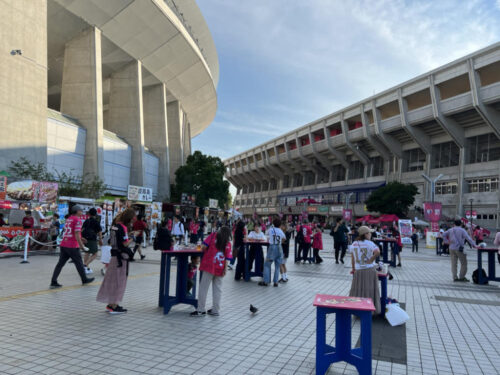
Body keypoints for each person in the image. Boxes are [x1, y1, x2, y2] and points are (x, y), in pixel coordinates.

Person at [96, 208, 136, 314]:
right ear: (129, 218)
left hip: (114, 256)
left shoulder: (114, 226)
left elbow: (113, 241)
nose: (134, 219)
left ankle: (111, 304)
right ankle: (114, 306)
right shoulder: (122, 227)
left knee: (112, 280)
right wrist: (133, 237)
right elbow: (125, 244)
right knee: (119, 281)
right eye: (133, 217)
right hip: (121, 258)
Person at [190, 226, 232, 317]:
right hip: (220, 268)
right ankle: (215, 310)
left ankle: (200, 310)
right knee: (218, 289)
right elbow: (227, 258)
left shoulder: (213, 236)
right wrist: (225, 269)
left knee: (203, 287)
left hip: (209, 266)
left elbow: (204, 246)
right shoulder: (228, 243)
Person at [50, 205, 95, 288]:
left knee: (60, 264)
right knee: (79, 263)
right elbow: (76, 233)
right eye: (81, 210)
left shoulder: (69, 219)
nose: (82, 212)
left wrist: (81, 238)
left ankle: (53, 281)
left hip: (64, 244)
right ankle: (84, 280)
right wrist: (81, 245)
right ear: (77, 211)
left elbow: (71, 232)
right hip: (72, 245)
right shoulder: (78, 220)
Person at [349, 226, 381, 315]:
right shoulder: (370, 243)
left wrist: (353, 269)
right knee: (369, 290)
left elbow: (352, 259)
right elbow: (378, 252)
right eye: (369, 233)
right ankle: (368, 311)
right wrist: (372, 259)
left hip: (358, 271)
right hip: (369, 269)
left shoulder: (354, 244)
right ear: (365, 234)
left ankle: (356, 309)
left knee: (357, 290)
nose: (370, 234)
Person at [259, 218, 286, 287]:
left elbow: (267, 234)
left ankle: (266, 281)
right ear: (280, 225)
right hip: (279, 248)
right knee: (277, 265)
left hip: (272, 247)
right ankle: (275, 282)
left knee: (267, 265)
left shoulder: (271, 230)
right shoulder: (280, 231)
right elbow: (284, 238)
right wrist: (280, 242)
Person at [81, 208, 103, 274]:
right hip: (92, 239)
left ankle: (85, 267)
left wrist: (81, 237)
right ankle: (85, 265)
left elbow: (82, 229)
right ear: (95, 214)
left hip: (85, 238)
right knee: (95, 254)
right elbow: (99, 231)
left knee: (87, 252)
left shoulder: (86, 221)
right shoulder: (96, 221)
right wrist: (100, 239)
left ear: (89, 214)